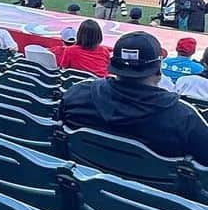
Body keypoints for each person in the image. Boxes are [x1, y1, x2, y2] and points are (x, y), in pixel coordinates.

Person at [59, 32, 208, 162]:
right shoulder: (185, 117)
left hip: (82, 187)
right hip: (155, 192)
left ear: (113, 66)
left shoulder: (76, 94)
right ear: (157, 68)